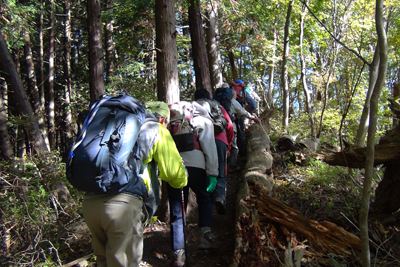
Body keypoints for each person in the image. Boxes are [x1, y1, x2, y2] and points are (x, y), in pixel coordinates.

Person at [82, 101, 188, 267]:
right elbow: (173, 173)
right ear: (162, 119)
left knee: (103, 262)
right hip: (122, 205)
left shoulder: (113, 127)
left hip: (90, 201)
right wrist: (183, 176)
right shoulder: (156, 129)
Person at [167, 98, 220, 266]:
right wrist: (213, 173)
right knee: (204, 198)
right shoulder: (204, 121)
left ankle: (179, 253)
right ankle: (205, 236)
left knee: (177, 207)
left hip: (175, 166)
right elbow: (209, 147)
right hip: (197, 166)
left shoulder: (171, 121)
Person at [194, 89, 234, 215]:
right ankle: (219, 197)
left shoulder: (192, 107)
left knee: (206, 171)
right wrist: (228, 143)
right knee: (221, 172)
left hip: (200, 141)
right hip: (220, 140)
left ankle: (208, 203)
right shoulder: (218, 106)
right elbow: (230, 126)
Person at [229, 89, 260, 170]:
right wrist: (253, 118)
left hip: (218, 127)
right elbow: (243, 111)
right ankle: (232, 166)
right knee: (234, 147)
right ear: (233, 95)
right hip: (230, 126)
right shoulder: (232, 101)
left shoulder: (218, 101)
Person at [231, 79, 258, 156]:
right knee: (240, 133)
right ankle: (240, 153)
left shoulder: (229, 91)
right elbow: (253, 104)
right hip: (240, 114)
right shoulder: (243, 92)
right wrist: (251, 112)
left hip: (228, 116)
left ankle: (230, 153)